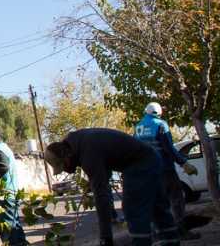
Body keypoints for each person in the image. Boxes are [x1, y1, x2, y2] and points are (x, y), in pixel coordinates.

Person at [45, 128, 180, 246]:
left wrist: (106, 238)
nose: (68, 171)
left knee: (134, 209)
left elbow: (102, 197)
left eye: (64, 167)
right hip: (151, 158)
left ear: (67, 156)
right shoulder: (77, 141)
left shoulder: (87, 153)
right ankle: (171, 241)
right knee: (158, 207)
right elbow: (106, 159)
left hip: (140, 164)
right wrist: (96, 178)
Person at [134, 102, 199, 239]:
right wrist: (184, 163)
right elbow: (169, 148)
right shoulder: (160, 124)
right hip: (164, 169)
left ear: (146, 112)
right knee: (176, 199)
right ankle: (180, 231)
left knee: (155, 201)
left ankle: (159, 233)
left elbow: (136, 149)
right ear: (159, 113)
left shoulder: (138, 126)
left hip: (146, 171)